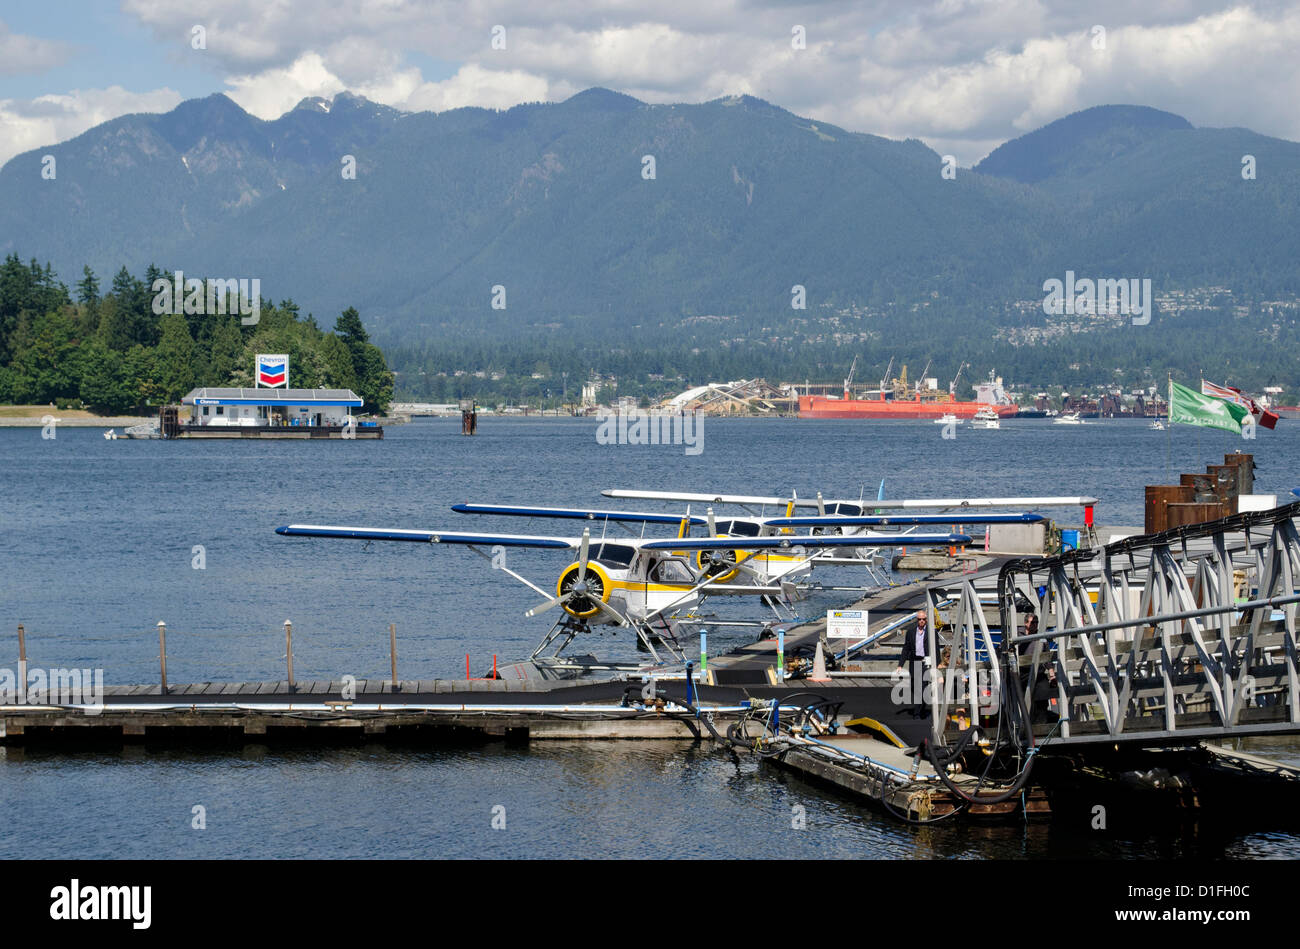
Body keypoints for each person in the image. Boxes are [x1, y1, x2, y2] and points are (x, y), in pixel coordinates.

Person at [897, 610, 930, 718]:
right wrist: (900, 664)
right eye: (919, 619)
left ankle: (917, 713)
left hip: (925, 662)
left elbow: (935, 648)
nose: (921, 621)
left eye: (923, 619)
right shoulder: (911, 632)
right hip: (914, 662)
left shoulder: (931, 632)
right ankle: (921, 706)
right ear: (917, 620)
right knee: (914, 687)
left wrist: (938, 664)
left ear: (926, 620)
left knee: (923, 687)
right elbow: (906, 648)